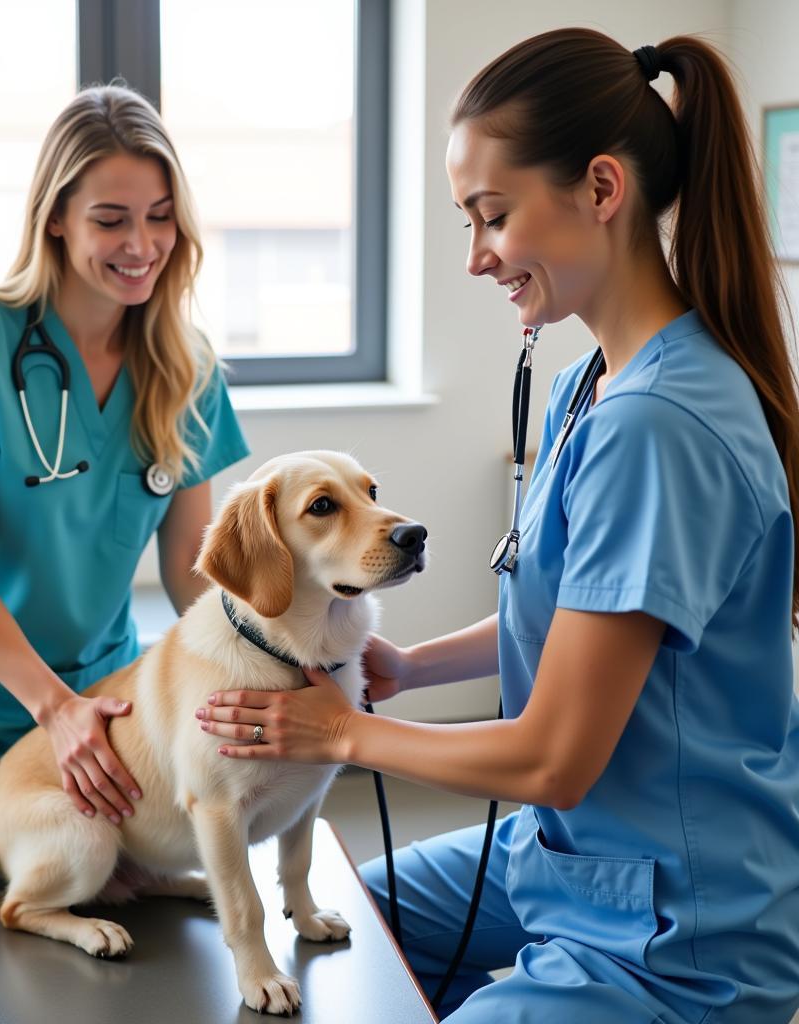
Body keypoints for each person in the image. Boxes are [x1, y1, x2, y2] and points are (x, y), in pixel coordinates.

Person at [193, 28, 799, 1024]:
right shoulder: (587, 387)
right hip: (571, 853)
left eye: (491, 217)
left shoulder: (657, 427)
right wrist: (408, 665)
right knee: (342, 928)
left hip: (676, 930)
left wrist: (346, 730)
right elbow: (577, 616)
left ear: (601, 189)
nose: (476, 257)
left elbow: (553, 755)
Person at [0, 85, 249, 833]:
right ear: (56, 221)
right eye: (111, 220)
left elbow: (190, 572)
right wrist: (54, 708)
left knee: (81, 928)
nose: (141, 245)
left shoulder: (185, 367)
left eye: (160, 218)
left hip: (98, 700)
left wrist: (268, 655)